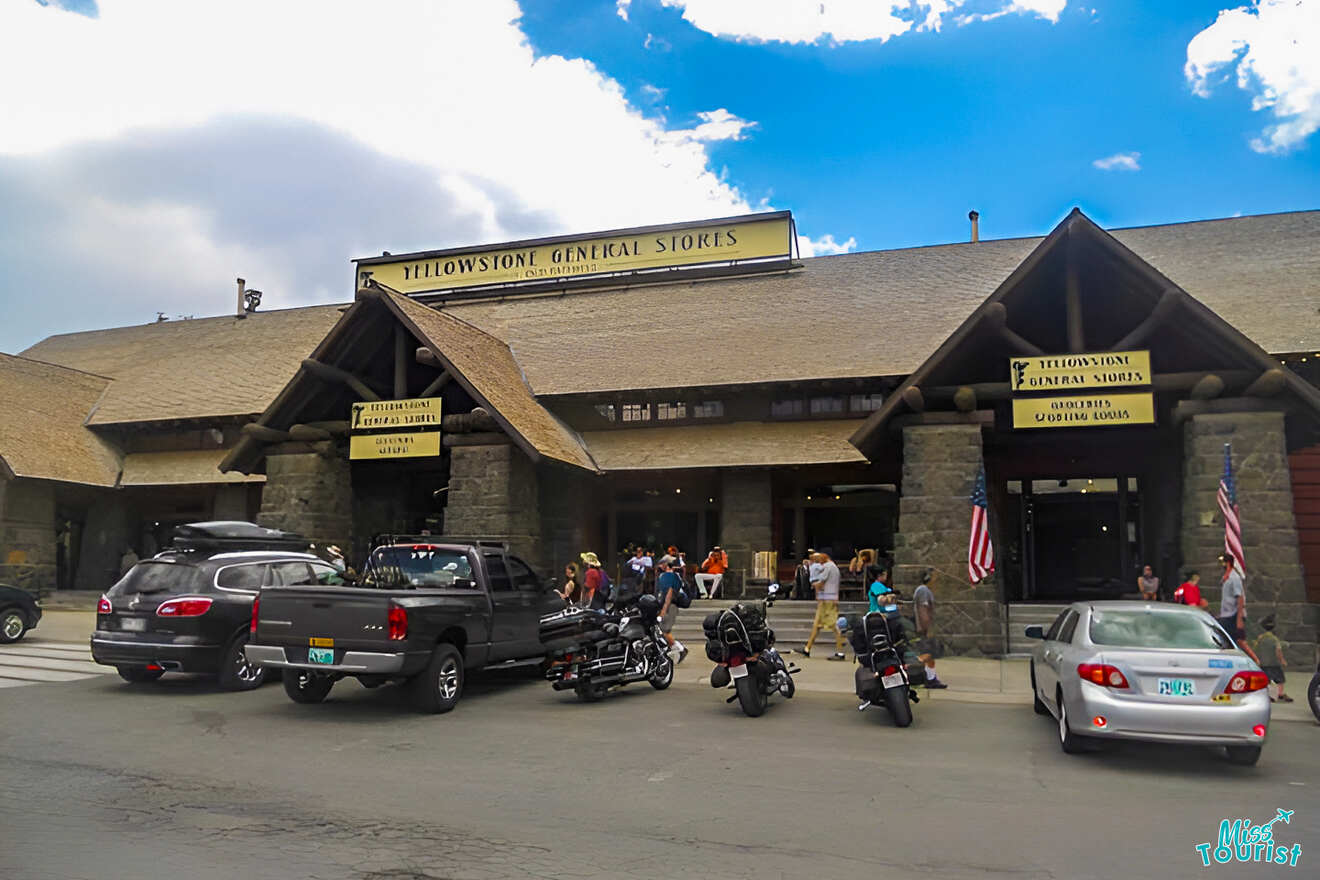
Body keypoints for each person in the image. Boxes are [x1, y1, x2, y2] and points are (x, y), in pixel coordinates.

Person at [801, 550, 846, 660]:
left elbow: (821, 583)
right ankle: (807, 648)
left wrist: (813, 585)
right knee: (817, 624)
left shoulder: (828, 567)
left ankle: (841, 651)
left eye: (819, 558)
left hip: (827, 599)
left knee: (833, 625)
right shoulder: (834, 567)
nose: (819, 562)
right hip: (829, 598)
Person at [1216, 553, 1259, 663]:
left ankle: (1256, 662)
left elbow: (1239, 598)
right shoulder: (1226, 577)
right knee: (1228, 640)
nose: (1222, 565)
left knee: (1239, 640)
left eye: (1223, 562)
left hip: (1233, 615)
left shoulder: (1234, 578)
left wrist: (1239, 619)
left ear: (1228, 563)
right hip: (1226, 614)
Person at [912, 569, 947, 689]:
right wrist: (927, 628)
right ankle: (925, 677)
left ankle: (930, 677)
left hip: (925, 627)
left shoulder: (925, 590)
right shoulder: (923, 590)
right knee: (927, 653)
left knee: (929, 654)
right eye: (935, 577)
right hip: (924, 628)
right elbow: (923, 610)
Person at [654, 558, 688, 664]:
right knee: (662, 630)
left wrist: (664, 609)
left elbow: (669, 592)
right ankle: (676, 648)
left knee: (663, 630)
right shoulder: (675, 576)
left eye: (662, 564)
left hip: (669, 606)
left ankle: (679, 648)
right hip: (670, 606)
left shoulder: (667, 576)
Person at [1252, 615, 1291, 702]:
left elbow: (1255, 649)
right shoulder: (1274, 639)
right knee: (1280, 679)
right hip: (1274, 664)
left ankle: (1268, 694)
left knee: (1267, 679)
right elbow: (1278, 651)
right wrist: (1282, 660)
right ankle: (1279, 694)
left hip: (1263, 663)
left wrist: (1256, 659)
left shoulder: (1260, 638)